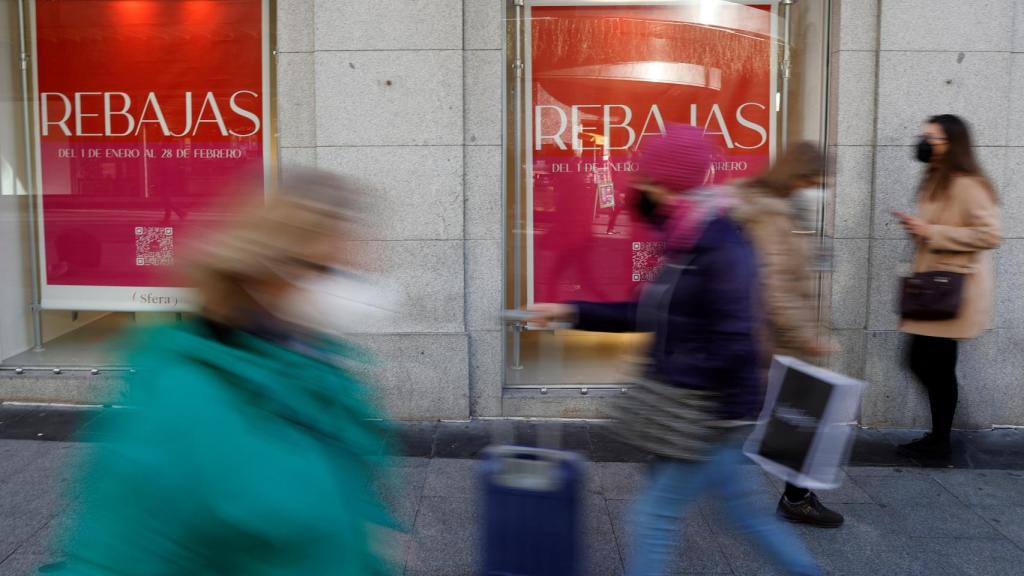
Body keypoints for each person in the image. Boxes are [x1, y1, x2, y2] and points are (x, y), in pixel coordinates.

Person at [43, 170, 397, 575]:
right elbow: (109, 559)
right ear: (269, 270)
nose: (353, 285)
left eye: (355, 266)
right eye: (327, 270)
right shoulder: (179, 408)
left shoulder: (319, 370)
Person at [530, 124, 820, 576]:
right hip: (694, 405)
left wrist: (711, 411)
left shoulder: (719, 242)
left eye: (647, 177)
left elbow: (735, 336)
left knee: (652, 518)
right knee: (743, 512)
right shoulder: (685, 236)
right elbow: (647, 314)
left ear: (669, 182)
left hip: (709, 411)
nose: (638, 185)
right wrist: (569, 311)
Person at [730, 142, 845, 528]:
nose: (817, 188)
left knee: (783, 415)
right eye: (814, 180)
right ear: (796, 177)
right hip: (772, 336)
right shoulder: (769, 215)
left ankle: (794, 496)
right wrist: (806, 334)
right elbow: (774, 286)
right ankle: (794, 499)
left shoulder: (774, 208)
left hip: (774, 335)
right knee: (790, 415)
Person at [895, 114, 1000, 458]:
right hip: (933, 286)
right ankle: (939, 437)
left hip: (952, 289)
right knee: (925, 362)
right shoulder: (936, 178)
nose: (924, 143)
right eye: (923, 135)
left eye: (932, 138)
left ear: (951, 144)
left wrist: (931, 232)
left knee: (931, 364)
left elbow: (989, 234)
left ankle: (940, 440)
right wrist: (920, 228)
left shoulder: (968, 183)